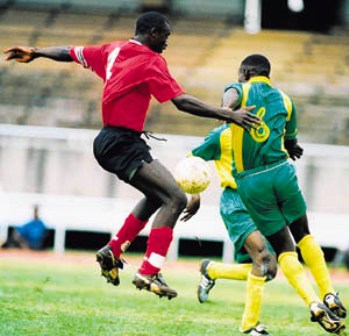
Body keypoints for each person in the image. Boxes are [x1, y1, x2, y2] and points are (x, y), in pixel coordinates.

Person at [4, 11, 261, 299]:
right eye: (165, 36)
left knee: (157, 196)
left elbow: (70, 52)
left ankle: (112, 251)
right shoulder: (151, 60)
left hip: (111, 140)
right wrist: (225, 113)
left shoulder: (110, 50)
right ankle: (149, 271)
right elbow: (180, 101)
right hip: (122, 142)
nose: (166, 43)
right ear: (152, 33)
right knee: (175, 198)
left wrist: (36, 52)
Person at [226, 54, 346, 334]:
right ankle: (328, 292)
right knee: (304, 233)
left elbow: (227, 104)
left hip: (252, 181)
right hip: (282, 172)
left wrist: (229, 113)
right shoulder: (286, 100)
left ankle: (314, 303)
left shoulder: (238, 88)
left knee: (284, 248)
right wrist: (292, 148)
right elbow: (291, 141)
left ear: (245, 71)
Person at [181, 123, 277, 336]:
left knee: (268, 270)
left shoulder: (264, 131)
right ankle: (250, 325)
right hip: (236, 203)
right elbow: (191, 159)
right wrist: (194, 193)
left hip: (262, 203)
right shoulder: (221, 135)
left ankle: (212, 270)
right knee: (263, 258)